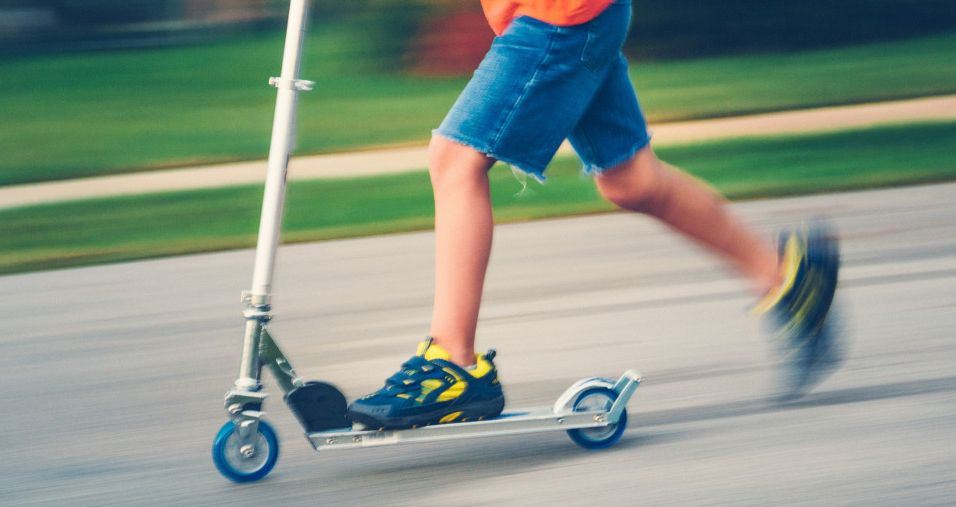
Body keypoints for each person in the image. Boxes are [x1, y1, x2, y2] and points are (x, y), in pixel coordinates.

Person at [346, 0, 843, 430]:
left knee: (455, 159)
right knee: (631, 180)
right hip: (570, 16)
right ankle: (789, 279)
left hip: (557, 15)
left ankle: (453, 366)